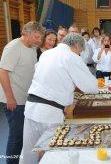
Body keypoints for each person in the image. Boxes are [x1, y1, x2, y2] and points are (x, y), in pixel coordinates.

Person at [19, 33, 98, 164]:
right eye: (79, 51)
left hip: (31, 107)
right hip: (50, 113)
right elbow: (91, 87)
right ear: (77, 46)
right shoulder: (71, 57)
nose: (79, 54)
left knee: (28, 152)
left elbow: (49, 76)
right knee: (53, 155)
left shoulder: (47, 53)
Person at [0, 21, 45, 164]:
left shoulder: (32, 48)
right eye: (37, 37)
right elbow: (2, 72)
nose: (39, 41)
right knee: (16, 135)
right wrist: (10, 98)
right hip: (14, 100)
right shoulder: (13, 47)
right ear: (27, 34)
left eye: (40, 37)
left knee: (24, 135)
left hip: (26, 99)